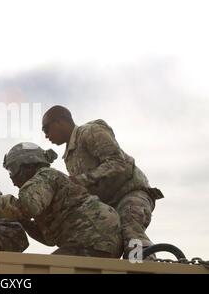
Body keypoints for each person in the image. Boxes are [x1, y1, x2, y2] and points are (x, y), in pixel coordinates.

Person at [0, 142, 123, 258]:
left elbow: (26, 207)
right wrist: (23, 221)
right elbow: (49, 239)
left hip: (92, 238)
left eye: (13, 169)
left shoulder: (44, 176)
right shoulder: (46, 185)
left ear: (27, 165)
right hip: (96, 240)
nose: (11, 177)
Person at [42, 105, 164, 257]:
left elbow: (118, 162)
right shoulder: (69, 156)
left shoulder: (90, 132)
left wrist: (81, 180)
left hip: (131, 192)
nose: (46, 136)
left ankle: (146, 265)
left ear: (59, 122)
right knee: (104, 241)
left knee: (130, 228)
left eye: (46, 129)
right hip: (108, 205)